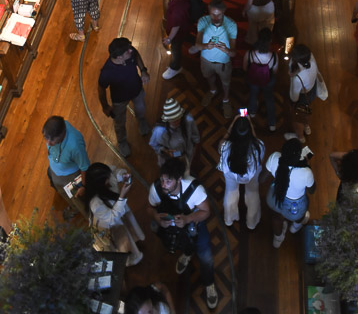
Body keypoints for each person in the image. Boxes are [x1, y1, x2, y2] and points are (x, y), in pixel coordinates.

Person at [147, 157, 218, 310]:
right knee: (184, 245)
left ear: (179, 180)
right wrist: (156, 218)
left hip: (194, 227)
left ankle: (209, 282)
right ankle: (187, 253)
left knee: (205, 256)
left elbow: (206, 211)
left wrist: (188, 219)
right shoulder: (157, 188)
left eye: (168, 181)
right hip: (173, 229)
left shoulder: (194, 190)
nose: (164, 185)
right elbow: (150, 208)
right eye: (162, 180)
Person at [98, 37, 151, 156]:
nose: (131, 50)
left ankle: (141, 121)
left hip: (137, 90)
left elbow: (136, 54)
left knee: (141, 108)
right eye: (128, 51)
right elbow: (101, 88)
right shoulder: (107, 72)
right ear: (119, 57)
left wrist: (143, 70)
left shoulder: (129, 52)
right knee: (119, 121)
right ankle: (122, 141)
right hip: (119, 100)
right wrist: (105, 106)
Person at [84, 162, 144, 265]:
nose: (109, 178)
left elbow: (114, 172)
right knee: (123, 241)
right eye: (107, 179)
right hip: (113, 225)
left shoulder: (104, 175)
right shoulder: (95, 203)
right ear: (100, 184)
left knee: (129, 229)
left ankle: (134, 242)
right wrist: (122, 196)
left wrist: (122, 175)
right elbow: (112, 219)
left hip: (119, 213)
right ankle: (131, 258)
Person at [265, 137, 315, 248]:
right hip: (294, 206)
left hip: (275, 198)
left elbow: (261, 179)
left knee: (277, 217)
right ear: (298, 157)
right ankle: (295, 226)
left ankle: (278, 239)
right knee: (304, 206)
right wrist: (307, 166)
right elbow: (312, 190)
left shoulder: (274, 157)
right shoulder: (305, 172)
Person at [217, 114, 265, 229]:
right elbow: (256, 142)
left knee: (230, 191)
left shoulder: (225, 146)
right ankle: (251, 223)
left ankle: (229, 219)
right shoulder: (258, 146)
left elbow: (222, 144)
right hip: (251, 174)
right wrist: (249, 123)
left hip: (231, 174)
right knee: (252, 192)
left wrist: (233, 122)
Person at [195, 0, 237, 118]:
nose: (216, 18)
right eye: (213, 14)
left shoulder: (231, 25)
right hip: (206, 60)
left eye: (219, 15)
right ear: (209, 12)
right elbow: (197, 45)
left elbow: (234, 53)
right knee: (209, 76)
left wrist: (227, 50)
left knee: (226, 83)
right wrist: (205, 46)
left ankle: (226, 99)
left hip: (223, 63)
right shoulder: (203, 21)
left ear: (224, 12)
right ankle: (213, 90)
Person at [42, 114, 90, 216]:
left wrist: (84, 186)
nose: (48, 143)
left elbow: (85, 167)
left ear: (61, 135)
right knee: (64, 193)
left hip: (71, 176)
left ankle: (88, 218)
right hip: (56, 171)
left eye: (51, 140)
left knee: (78, 200)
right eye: (46, 138)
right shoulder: (56, 132)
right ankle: (73, 206)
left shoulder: (75, 146)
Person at [149, 96, 200, 170]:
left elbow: (195, 136)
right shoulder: (159, 131)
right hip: (169, 160)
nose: (178, 122)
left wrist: (194, 149)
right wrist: (165, 151)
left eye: (179, 118)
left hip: (187, 154)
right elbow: (154, 145)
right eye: (174, 120)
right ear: (167, 120)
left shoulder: (188, 119)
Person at [244, 27, 278, 131]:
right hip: (267, 81)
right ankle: (272, 123)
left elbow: (245, 68)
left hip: (253, 79)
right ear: (270, 41)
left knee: (253, 95)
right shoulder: (274, 56)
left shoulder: (249, 53)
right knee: (269, 99)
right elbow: (275, 71)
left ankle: (253, 112)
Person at [288, 43, 322, 141]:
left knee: (298, 117)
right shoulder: (311, 58)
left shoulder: (297, 78)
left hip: (302, 96)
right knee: (305, 112)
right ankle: (307, 126)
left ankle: (301, 137)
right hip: (311, 90)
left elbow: (294, 97)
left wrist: (292, 104)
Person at [162, 0, 193, 80]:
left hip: (178, 33)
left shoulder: (177, 10)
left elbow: (176, 27)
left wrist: (169, 38)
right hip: (185, 26)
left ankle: (175, 67)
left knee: (176, 49)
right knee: (186, 38)